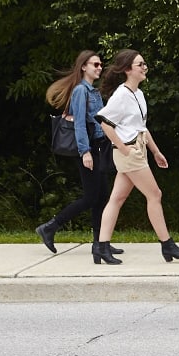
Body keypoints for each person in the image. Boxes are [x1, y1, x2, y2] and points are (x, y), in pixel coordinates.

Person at [91, 50, 179, 264]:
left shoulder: (138, 94)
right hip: (129, 152)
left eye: (144, 64)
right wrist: (124, 149)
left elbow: (142, 128)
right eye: (140, 64)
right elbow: (104, 123)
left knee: (117, 199)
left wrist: (155, 151)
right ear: (128, 69)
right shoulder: (121, 94)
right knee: (155, 194)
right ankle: (167, 245)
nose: (144, 67)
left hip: (138, 149)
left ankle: (101, 247)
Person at [36, 50, 122, 255]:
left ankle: (100, 243)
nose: (99, 67)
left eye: (100, 64)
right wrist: (85, 152)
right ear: (83, 66)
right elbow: (80, 126)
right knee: (91, 198)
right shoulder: (80, 91)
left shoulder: (93, 91)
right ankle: (49, 227)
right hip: (89, 148)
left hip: (99, 147)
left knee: (102, 197)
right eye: (95, 64)